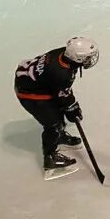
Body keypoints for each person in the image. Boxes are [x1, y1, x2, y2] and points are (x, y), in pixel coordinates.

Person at [14, 37, 100, 180]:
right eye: (87, 57)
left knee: (59, 110)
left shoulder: (63, 54)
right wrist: (72, 108)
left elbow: (61, 90)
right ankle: (50, 159)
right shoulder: (61, 73)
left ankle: (59, 136)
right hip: (29, 93)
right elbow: (63, 94)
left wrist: (70, 106)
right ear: (78, 58)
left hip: (35, 82)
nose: (90, 59)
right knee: (53, 124)